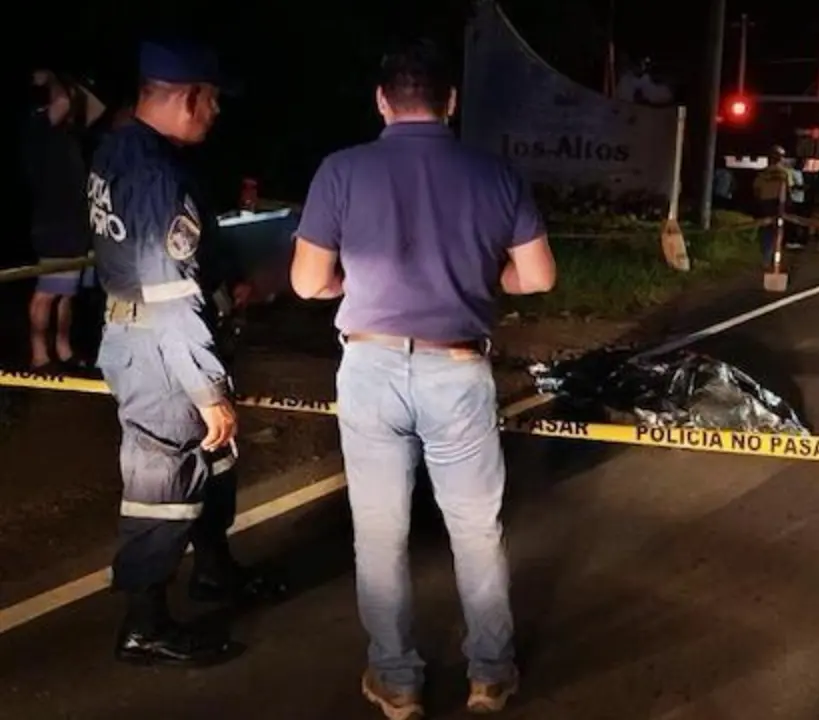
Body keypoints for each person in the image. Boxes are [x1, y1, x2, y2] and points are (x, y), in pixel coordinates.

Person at [291, 40, 554, 718]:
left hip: (371, 368)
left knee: (380, 534)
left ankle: (397, 680)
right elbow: (538, 277)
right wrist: (479, 275)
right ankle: (490, 675)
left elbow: (308, 282)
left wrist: (357, 281)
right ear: (452, 102)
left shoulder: (340, 172)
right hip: (459, 368)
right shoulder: (495, 174)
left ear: (382, 101)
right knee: (475, 530)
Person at [89, 39, 285, 668]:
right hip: (161, 350)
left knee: (212, 461)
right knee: (162, 480)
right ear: (188, 97)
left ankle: (215, 570)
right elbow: (170, 295)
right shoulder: (157, 175)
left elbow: (174, 257)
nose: (217, 113)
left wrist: (227, 284)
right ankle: (143, 623)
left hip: (153, 336)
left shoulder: (123, 149)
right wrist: (209, 390)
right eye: (213, 101)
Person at [24, 70, 95, 371]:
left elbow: (96, 109)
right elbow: (64, 99)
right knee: (47, 292)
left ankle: (62, 348)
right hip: (54, 223)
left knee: (67, 293)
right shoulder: (38, 125)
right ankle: (38, 352)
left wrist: (74, 85)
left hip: (75, 224)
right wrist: (54, 77)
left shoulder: (67, 133)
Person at [752, 146, 794, 265]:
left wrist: (758, 202)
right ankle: (774, 255)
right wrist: (789, 203)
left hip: (765, 203)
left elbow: (756, 190)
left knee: (766, 229)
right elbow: (788, 189)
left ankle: (766, 255)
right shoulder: (784, 173)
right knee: (778, 229)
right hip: (779, 204)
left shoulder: (763, 173)